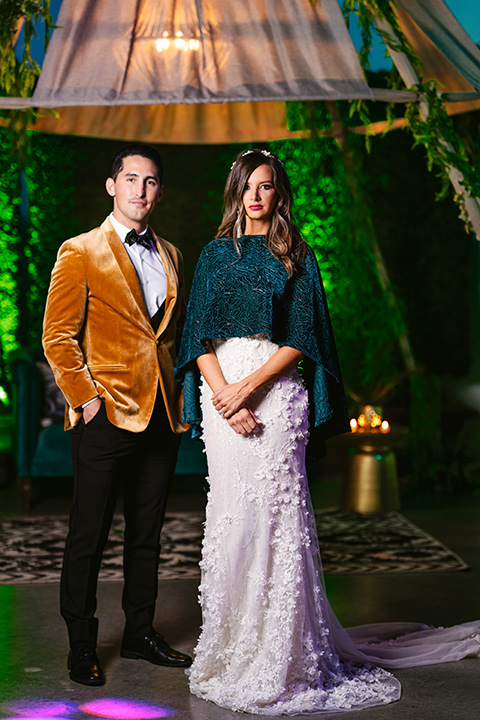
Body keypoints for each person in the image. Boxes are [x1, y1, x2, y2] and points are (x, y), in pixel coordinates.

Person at [175, 148, 480, 714]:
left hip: (276, 396)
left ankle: (283, 656)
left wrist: (249, 390)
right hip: (221, 401)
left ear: (278, 193)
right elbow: (196, 338)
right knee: (233, 522)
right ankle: (229, 648)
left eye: (267, 186)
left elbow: (304, 341)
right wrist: (223, 395)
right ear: (236, 192)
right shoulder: (216, 255)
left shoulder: (296, 254)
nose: (258, 196)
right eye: (249, 186)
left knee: (276, 521)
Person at [42, 144, 192, 686]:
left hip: (160, 415)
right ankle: (81, 644)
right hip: (104, 415)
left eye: (151, 182)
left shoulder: (171, 252)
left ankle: (140, 633)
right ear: (112, 186)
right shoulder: (79, 250)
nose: (140, 191)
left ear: (158, 191)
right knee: (89, 533)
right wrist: (85, 399)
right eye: (131, 179)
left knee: (147, 534)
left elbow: (165, 337)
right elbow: (57, 335)